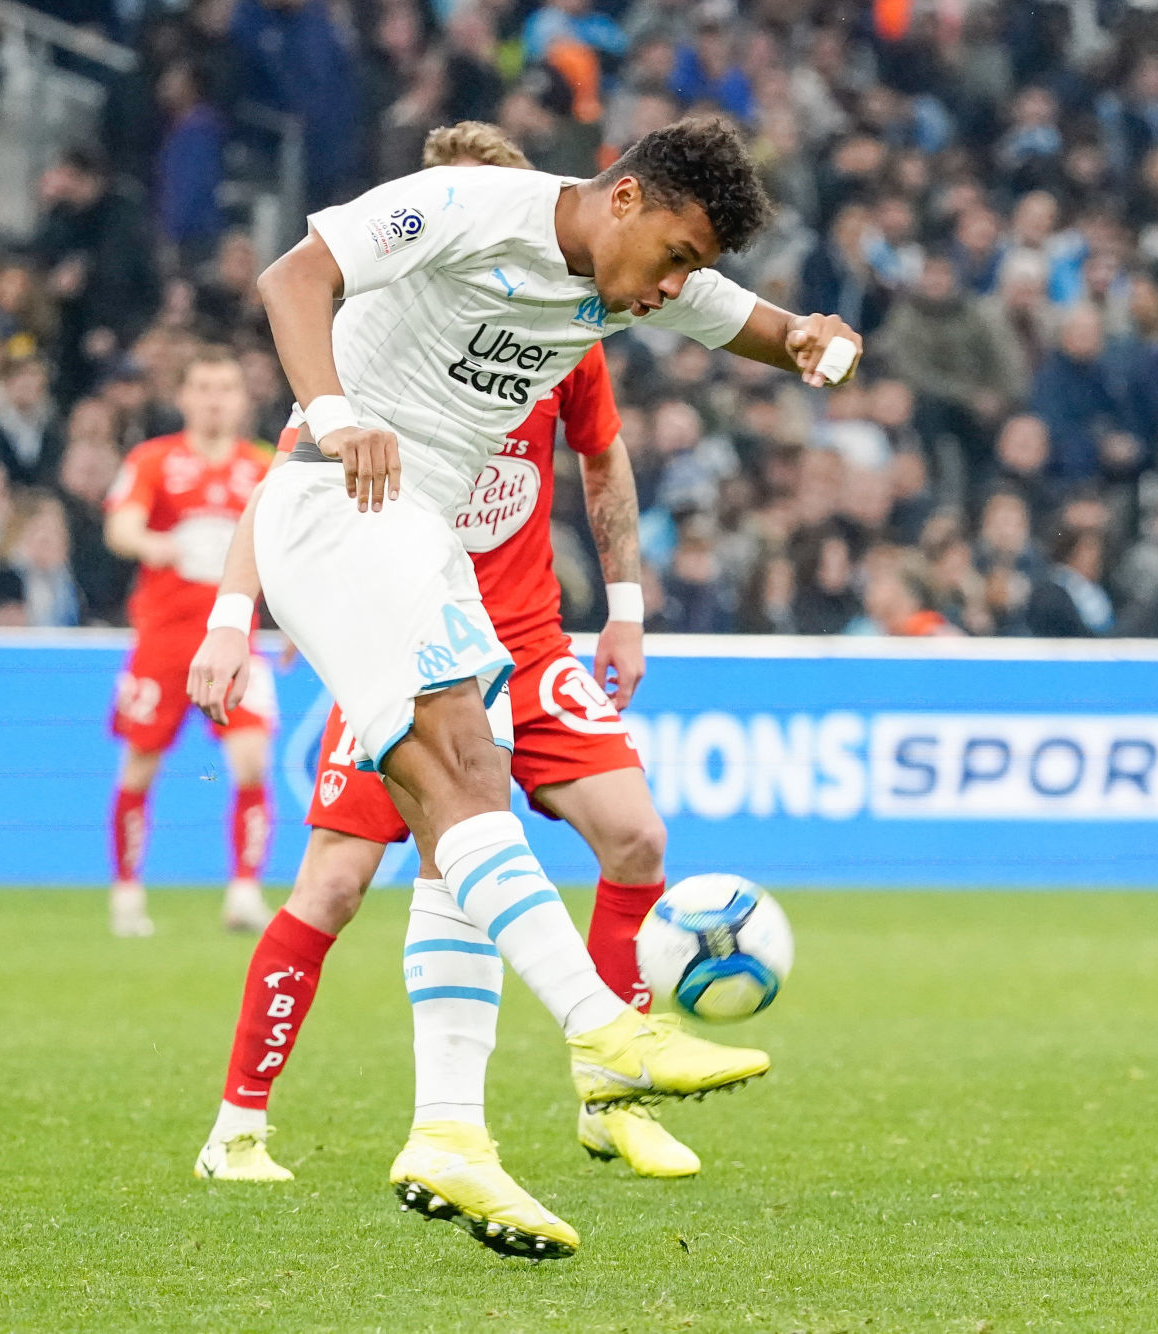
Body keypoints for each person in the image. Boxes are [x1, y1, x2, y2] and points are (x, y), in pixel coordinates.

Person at [187, 115, 859, 1257]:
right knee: (451, 774)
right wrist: (342, 414)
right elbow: (292, 275)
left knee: (468, 808)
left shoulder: (637, 279)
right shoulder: (469, 208)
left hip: (423, 535)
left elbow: (746, 321)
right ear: (628, 197)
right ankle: (601, 1029)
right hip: (333, 505)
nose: (676, 285)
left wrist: (804, 336)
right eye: (677, 254)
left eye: (695, 268)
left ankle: (449, 1131)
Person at [195, 122, 695, 1193]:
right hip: (404, 626)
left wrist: (628, 609)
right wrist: (231, 617)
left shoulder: (571, 335)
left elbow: (605, 470)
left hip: (523, 631)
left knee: (635, 835)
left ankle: (605, 1098)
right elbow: (294, 472)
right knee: (335, 880)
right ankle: (241, 1120)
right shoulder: (390, 329)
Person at [101, 348, 277, 937]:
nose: (214, 398)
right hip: (164, 643)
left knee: (251, 759)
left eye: (225, 387)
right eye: (203, 387)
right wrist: (150, 544)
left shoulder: (264, 467)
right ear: (184, 397)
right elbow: (120, 524)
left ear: (242, 398)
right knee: (139, 769)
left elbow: (293, 547)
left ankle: (245, 892)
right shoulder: (154, 460)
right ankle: (127, 895)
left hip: (233, 647)